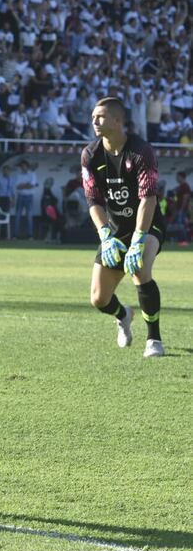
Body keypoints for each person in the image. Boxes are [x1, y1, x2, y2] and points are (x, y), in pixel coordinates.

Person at [82, 97, 167, 358]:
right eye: (93, 116)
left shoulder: (142, 151)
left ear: (118, 121)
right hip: (115, 229)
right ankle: (124, 315)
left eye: (101, 116)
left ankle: (154, 339)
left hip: (147, 223)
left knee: (140, 268)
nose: (94, 121)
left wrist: (139, 239)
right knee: (98, 299)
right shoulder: (90, 154)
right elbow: (94, 201)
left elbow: (148, 199)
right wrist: (106, 235)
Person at [13, 159, 37, 239]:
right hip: (20, 197)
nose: (22, 168)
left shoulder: (32, 174)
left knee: (29, 216)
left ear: (27, 166)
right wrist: (26, 185)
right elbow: (17, 186)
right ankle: (15, 235)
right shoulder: (19, 175)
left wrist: (23, 185)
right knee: (17, 216)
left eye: (24, 166)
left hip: (29, 196)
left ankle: (30, 235)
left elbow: (32, 185)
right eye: (21, 167)